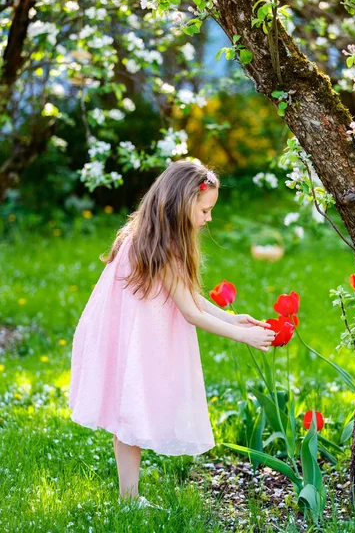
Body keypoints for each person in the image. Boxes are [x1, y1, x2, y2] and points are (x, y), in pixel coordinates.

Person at [68, 159, 274, 507]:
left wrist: (232, 317)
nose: (209, 219)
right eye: (206, 210)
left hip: (133, 336)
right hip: (138, 339)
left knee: (127, 411)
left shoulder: (149, 235)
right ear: (183, 203)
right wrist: (243, 337)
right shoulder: (163, 248)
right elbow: (190, 313)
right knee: (129, 411)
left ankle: (128, 496)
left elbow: (190, 295)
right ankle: (129, 497)